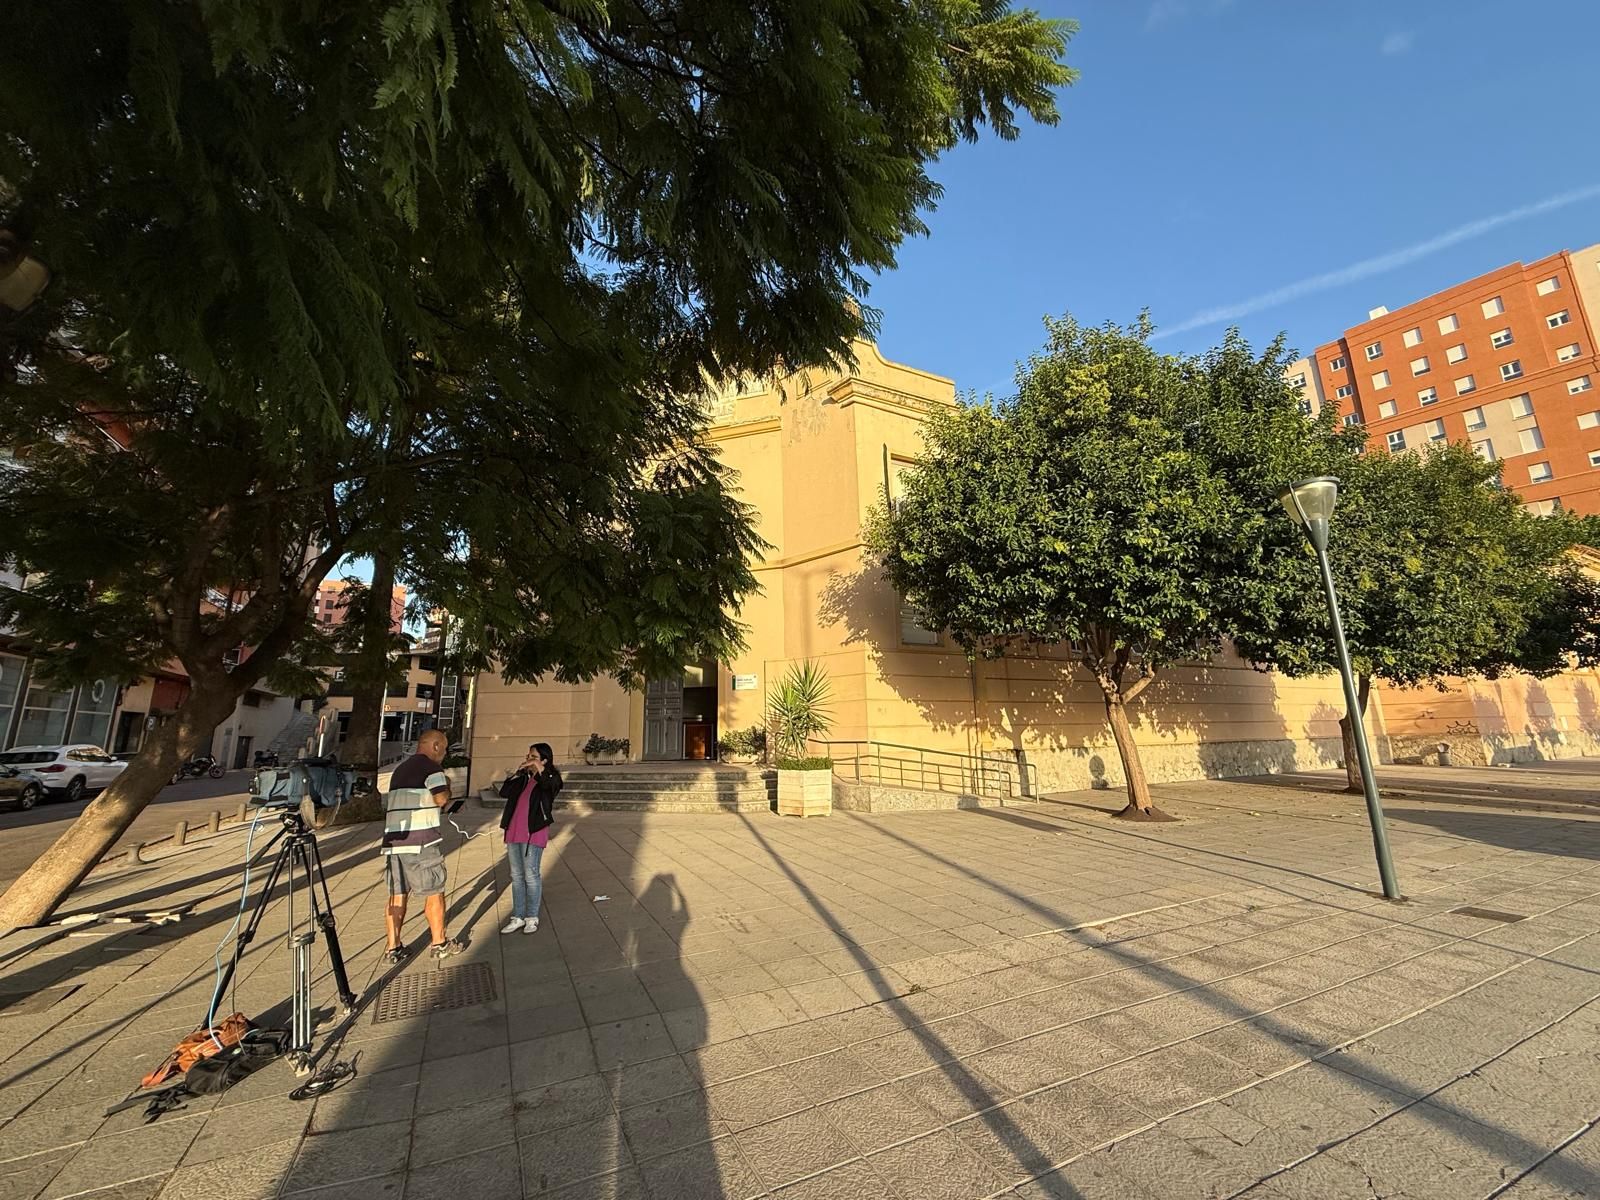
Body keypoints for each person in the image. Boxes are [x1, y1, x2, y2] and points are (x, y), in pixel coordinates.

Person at [381, 729, 464, 963]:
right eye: (445, 748)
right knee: (434, 891)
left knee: (397, 894)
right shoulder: (431, 768)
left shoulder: (400, 769)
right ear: (435, 746)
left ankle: (393, 946)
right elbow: (440, 798)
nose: (445, 754)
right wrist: (447, 785)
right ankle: (439, 943)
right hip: (420, 840)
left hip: (394, 841)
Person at [498, 742, 561, 934]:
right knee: (516, 876)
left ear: (544, 760)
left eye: (533, 757)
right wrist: (517, 773)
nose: (528, 760)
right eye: (528, 756)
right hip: (514, 830)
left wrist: (540, 769)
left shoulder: (550, 778)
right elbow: (504, 792)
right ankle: (517, 916)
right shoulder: (523, 779)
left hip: (534, 831)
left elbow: (551, 786)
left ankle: (531, 916)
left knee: (531, 875)